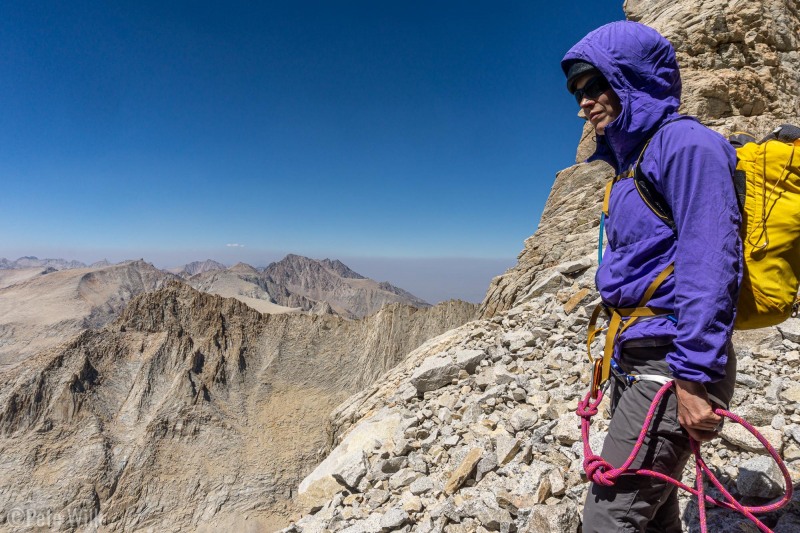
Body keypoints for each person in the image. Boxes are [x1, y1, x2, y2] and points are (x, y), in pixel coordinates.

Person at [561, 21, 742, 532]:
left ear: (631, 80)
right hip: (638, 358)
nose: (583, 103)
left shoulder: (686, 146)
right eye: (577, 91)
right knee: (656, 511)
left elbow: (711, 263)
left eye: (594, 85)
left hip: (670, 364)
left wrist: (692, 376)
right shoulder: (633, 163)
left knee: (608, 518)